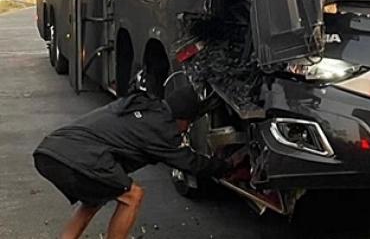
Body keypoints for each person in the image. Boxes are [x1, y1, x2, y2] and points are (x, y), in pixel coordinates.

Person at [33, 84, 230, 239]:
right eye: (187, 124)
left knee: (94, 199)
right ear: (182, 120)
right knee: (133, 195)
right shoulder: (162, 129)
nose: (185, 130)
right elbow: (191, 163)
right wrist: (228, 166)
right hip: (77, 156)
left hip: (50, 151)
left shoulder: (147, 106)